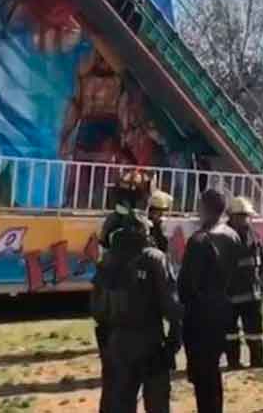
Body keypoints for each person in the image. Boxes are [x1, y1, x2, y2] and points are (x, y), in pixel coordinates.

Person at [92, 171, 181, 413]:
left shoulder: (108, 257)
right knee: (156, 400)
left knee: (118, 396)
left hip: (117, 339)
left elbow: (97, 305)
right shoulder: (154, 257)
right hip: (148, 338)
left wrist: (105, 337)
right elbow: (171, 305)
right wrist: (173, 341)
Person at [178, 189, 242, 413]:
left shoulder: (199, 240)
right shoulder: (233, 236)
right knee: (213, 371)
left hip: (199, 315)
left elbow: (187, 284)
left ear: (204, 207)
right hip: (224, 311)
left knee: (202, 375)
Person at [223, 196, 263, 370]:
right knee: (230, 332)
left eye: (247, 216)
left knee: (255, 331)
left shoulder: (253, 235)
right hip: (229, 294)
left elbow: (262, 259)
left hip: (252, 292)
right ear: (232, 216)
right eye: (242, 216)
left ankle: (257, 360)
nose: (245, 220)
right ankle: (233, 362)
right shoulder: (222, 236)